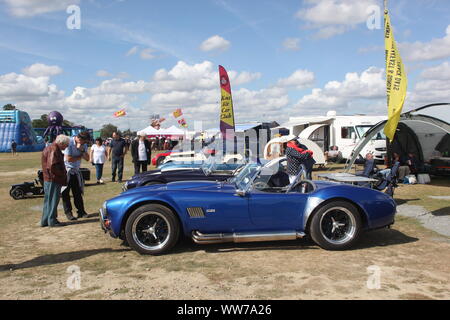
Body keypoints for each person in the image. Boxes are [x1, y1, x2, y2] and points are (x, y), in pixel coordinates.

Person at [40, 134, 70, 227]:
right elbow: (52, 166)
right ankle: (52, 220)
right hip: (53, 179)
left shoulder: (50, 148)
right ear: (61, 143)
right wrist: (62, 175)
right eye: (66, 144)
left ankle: (45, 220)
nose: (67, 146)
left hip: (49, 179)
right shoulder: (54, 150)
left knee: (48, 200)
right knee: (53, 200)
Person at [62, 131, 91, 221]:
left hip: (76, 171)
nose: (85, 144)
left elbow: (87, 158)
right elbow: (68, 158)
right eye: (84, 142)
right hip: (66, 170)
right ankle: (68, 213)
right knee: (65, 193)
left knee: (77, 192)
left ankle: (81, 211)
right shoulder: (69, 142)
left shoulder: (83, 145)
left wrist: (81, 150)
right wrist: (80, 156)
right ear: (79, 139)